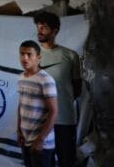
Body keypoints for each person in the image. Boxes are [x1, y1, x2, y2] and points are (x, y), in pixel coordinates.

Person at [34, 12, 82, 166]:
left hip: (64, 120)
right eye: (38, 26)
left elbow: (77, 90)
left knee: (67, 161)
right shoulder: (32, 55)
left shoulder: (70, 56)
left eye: (44, 27)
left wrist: (59, 103)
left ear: (55, 31)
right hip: (38, 121)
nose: (39, 30)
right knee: (41, 162)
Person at [17, 40, 58, 167]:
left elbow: (54, 112)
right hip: (26, 139)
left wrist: (40, 140)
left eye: (29, 54)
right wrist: (19, 131)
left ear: (38, 57)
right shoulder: (21, 77)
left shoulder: (46, 80)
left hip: (42, 143)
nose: (24, 58)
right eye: (22, 54)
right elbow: (21, 105)